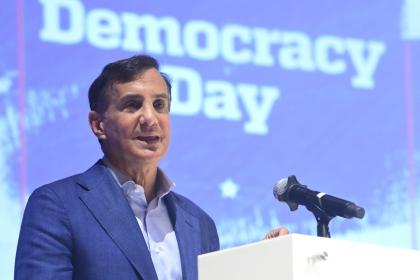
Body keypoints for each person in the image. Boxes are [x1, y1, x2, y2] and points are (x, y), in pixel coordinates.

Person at [15, 55, 220, 280]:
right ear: (98, 125)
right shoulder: (58, 206)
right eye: (133, 105)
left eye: (159, 105)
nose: (150, 118)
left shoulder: (199, 223)